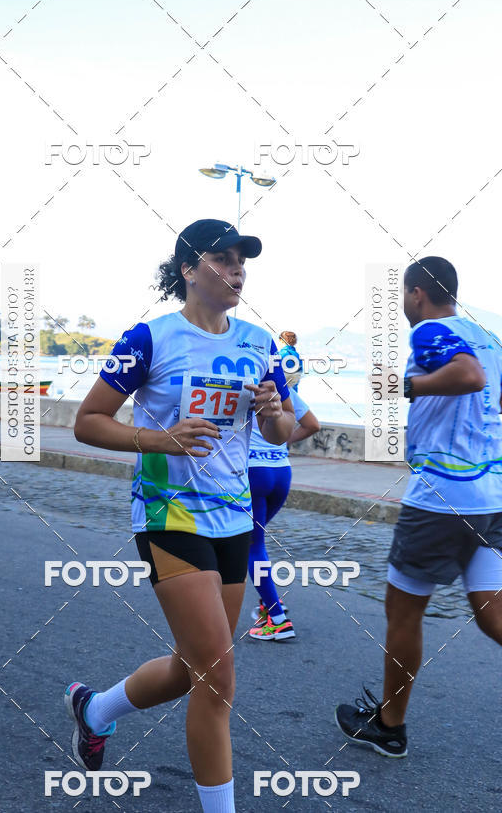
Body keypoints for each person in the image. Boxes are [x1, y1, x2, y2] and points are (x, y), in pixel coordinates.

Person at [66, 219, 295, 812]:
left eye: (243, 260)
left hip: (234, 520)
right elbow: (88, 421)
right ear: (189, 270)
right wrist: (160, 439)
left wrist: (273, 412)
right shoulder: (150, 337)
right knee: (218, 680)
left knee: (194, 666)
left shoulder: (259, 344)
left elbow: (284, 429)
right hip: (170, 517)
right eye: (222, 258)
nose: (237, 269)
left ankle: (95, 710)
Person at [335, 256, 502, 758]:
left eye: (404, 296)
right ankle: (389, 720)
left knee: (403, 614)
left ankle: (389, 726)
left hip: (442, 500)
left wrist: (405, 385)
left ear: (416, 294)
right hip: (491, 495)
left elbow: (468, 377)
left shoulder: (432, 330)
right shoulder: (491, 339)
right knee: (493, 616)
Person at [247, 389, 320, 640]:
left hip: (251, 471)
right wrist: (283, 442)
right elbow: (312, 425)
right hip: (281, 472)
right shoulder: (282, 389)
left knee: (250, 545)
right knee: (249, 541)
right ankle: (269, 600)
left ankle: (277, 620)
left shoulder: (238, 381)